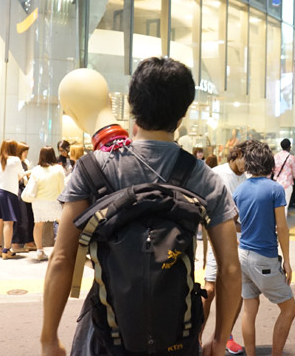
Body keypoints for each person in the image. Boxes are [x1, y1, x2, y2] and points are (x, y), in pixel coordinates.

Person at [41, 57, 242, 356]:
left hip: (105, 334)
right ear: (183, 113)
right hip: (177, 336)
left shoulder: (91, 170)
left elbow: (61, 258)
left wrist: (49, 339)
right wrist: (219, 337)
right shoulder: (205, 178)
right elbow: (229, 268)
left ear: (132, 106)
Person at [233, 141, 295, 356]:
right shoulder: (275, 189)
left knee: (249, 310)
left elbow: (232, 221)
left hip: (242, 255)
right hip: (264, 258)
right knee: (289, 309)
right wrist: (287, 261)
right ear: (269, 163)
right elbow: (282, 227)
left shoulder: (240, 190)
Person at [201, 142, 248, 355]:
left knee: (235, 292)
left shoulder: (247, 179)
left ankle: (225, 336)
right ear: (236, 155)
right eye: (246, 159)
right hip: (219, 239)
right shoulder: (216, 174)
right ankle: (197, 338)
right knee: (209, 290)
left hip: (242, 241)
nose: (248, 164)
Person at [29, 146, 66, 261]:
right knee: (62, 224)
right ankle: (61, 249)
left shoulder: (36, 169)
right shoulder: (59, 169)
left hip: (38, 202)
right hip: (54, 201)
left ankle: (39, 250)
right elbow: (63, 188)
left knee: (38, 225)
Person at [0, 139, 25, 259]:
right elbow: (21, 175)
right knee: (8, 223)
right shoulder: (15, 160)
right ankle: (6, 250)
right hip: (8, 193)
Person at [11, 142, 36, 253]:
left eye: (26, 151)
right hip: (16, 191)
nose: (26, 153)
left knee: (29, 216)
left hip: (25, 190)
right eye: (24, 151)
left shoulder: (25, 162)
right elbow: (13, 178)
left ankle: (28, 241)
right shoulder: (14, 163)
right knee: (20, 217)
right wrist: (26, 174)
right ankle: (15, 243)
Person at [273, 138, 295, 216]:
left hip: (276, 184)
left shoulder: (275, 156)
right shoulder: (291, 158)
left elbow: (271, 170)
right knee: (284, 206)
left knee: (276, 206)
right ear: (290, 147)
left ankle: (276, 226)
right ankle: (282, 226)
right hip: (287, 185)